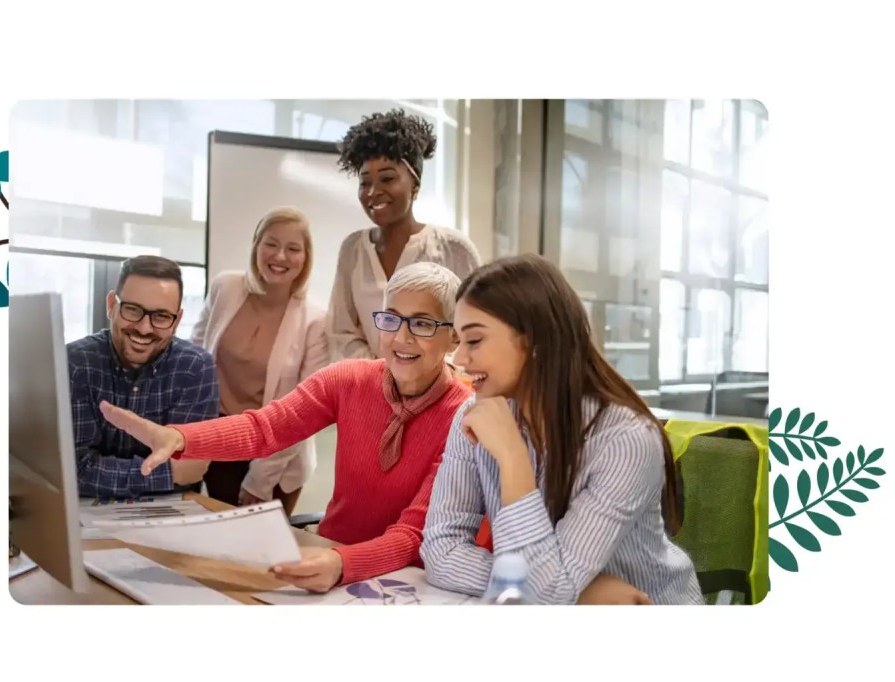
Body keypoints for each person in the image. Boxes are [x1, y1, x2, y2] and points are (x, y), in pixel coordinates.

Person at [99, 262, 471, 593]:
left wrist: (344, 565)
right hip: (328, 555)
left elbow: (413, 535)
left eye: (422, 324)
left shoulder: (464, 415)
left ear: (454, 335)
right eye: (391, 318)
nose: (401, 338)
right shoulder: (349, 379)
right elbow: (266, 429)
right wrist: (181, 437)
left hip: (408, 582)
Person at [420, 254, 703, 605]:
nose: (459, 358)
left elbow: (548, 593)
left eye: (474, 341)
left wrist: (511, 456)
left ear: (536, 341)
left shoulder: (626, 439)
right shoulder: (475, 414)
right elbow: (440, 552)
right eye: (458, 341)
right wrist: (582, 591)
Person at [189, 207, 329, 515]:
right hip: (220, 441)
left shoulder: (316, 320)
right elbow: (194, 359)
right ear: (256, 245)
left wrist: (260, 479)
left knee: (263, 555)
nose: (280, 256)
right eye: (271, 243)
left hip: (277, 457)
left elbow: (304, 411)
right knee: (217, 549)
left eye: (293, 249)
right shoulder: (225, 287)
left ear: (306, 258)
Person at [327, 108, 482, 361]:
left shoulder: (453, 249)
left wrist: (422, 377)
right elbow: (341, 331)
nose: (373, 191)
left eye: (387, 179)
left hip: (440, 391)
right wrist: (382, 376)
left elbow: (474, 329)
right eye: (365, 182)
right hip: (370, 391)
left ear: (415, 186)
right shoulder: (353, 249)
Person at [67, 255, 217, 499]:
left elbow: (190, 470)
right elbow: (74, 471)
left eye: (160, 316)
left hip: (167, 517)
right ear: (111, 306)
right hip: (84, 517)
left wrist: (104, 471)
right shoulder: (74, 363)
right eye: (132, 310)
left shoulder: (195, 368)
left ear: (177, 321)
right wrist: (166, 473)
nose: (144, 328)